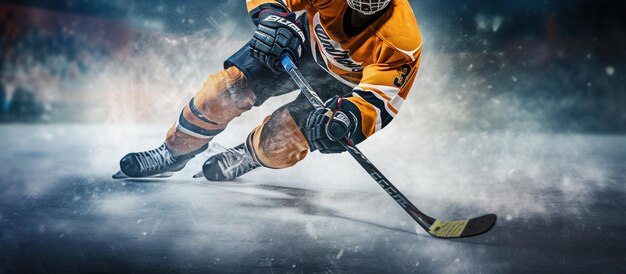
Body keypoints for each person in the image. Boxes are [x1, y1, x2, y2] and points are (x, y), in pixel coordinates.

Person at [118, 0, 422, 181]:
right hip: (297, 42)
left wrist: (350, 119)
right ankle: (174, 152)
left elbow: (379, 98)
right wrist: (273, 18)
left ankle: (249, 155)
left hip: (340, 84)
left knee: (281, 143)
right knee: (222, 93)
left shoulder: (402, 41)